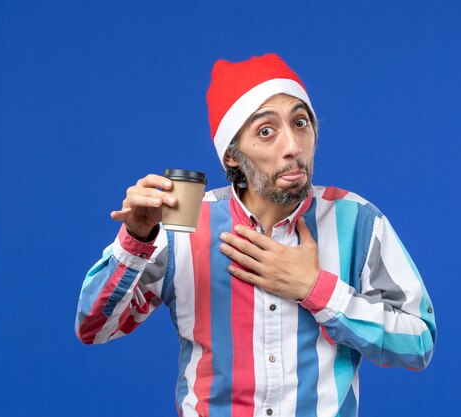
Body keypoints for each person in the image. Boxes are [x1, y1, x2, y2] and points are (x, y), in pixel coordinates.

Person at [75, 53, 436, 417]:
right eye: (266, 131)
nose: (293, 146)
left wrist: (316, 289)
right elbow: (94, 328)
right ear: (232, 154)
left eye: (300, 123)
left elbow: (418, 344)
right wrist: (137, 237)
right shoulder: (183, 229)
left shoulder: (357, 220)